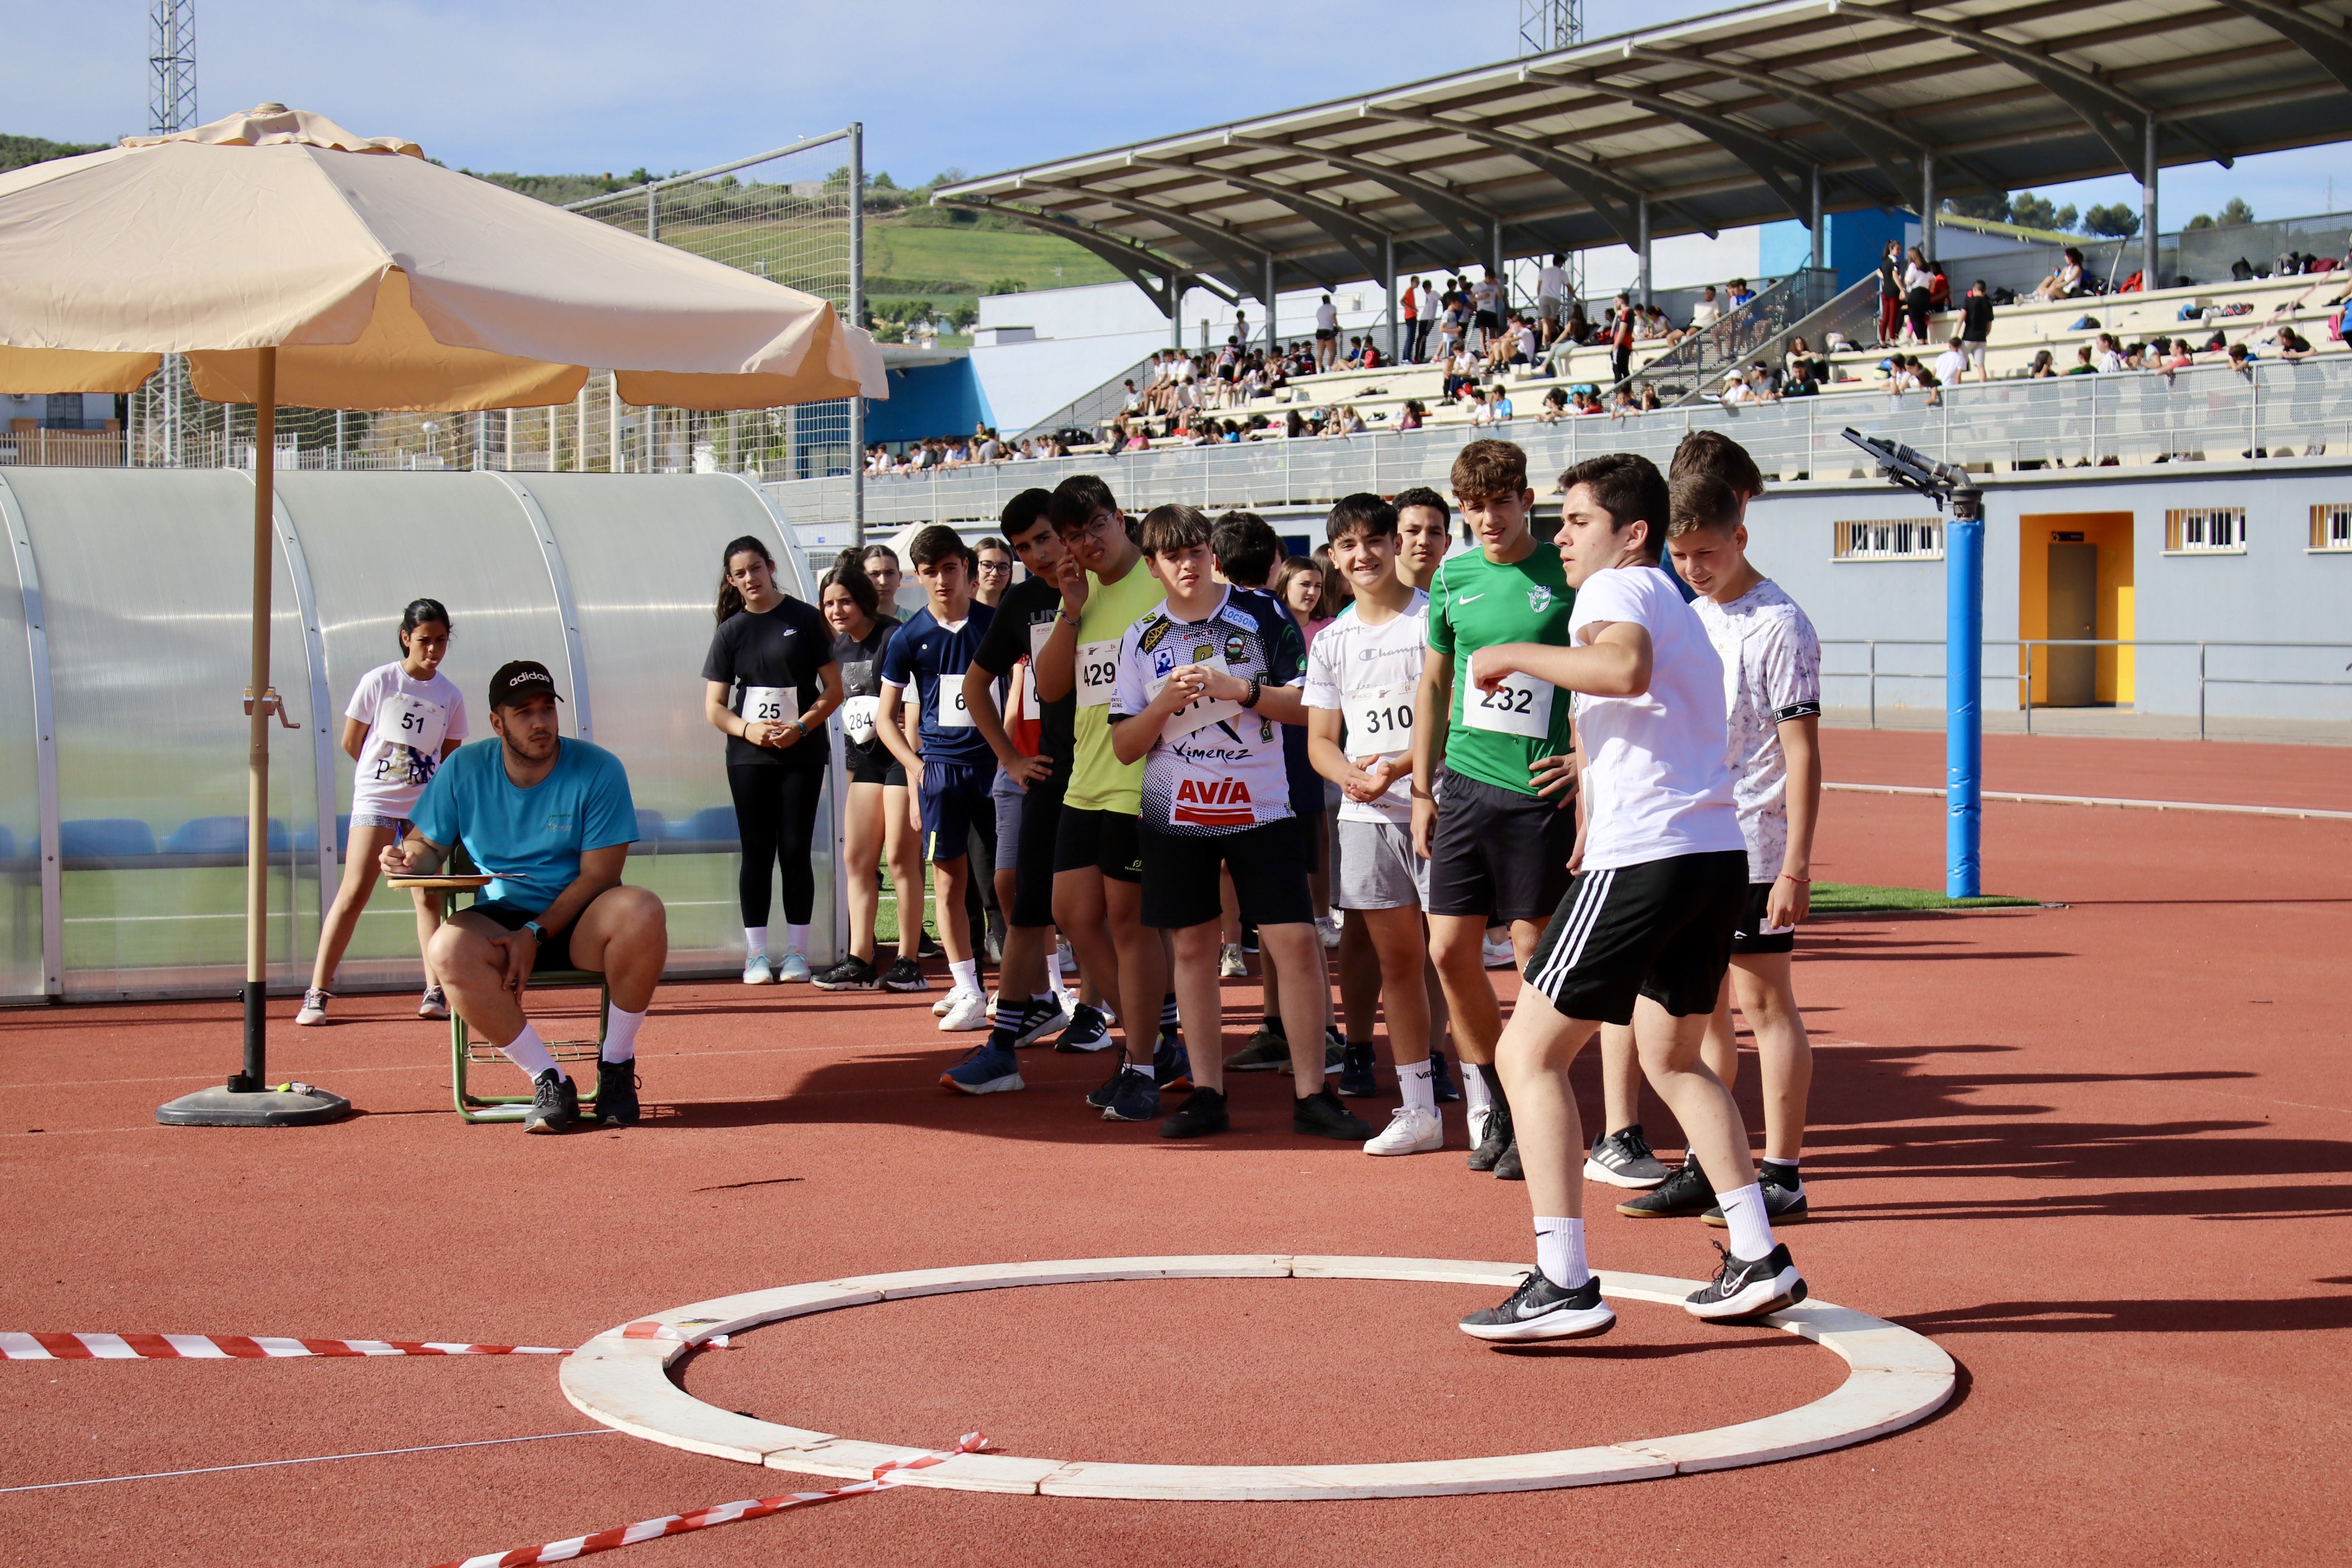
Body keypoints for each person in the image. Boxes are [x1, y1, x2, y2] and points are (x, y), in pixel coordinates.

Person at [1455, 452, 1805, 1342]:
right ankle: (1758, 1256)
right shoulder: (1676, 605)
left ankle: (1562, 1278)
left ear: (1631, 531)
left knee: (1526, 1056)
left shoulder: (1618, 592)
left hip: (1650, 858)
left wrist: (1506, 652)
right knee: (1675, 1059)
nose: (1560, 536)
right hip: (1712, 854)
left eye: (1574, 520)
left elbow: (1622, 672)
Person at [1109, 505, 1371, 1144]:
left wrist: (1239, 689)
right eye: (1173, 556)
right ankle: (1207, 1092)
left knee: (1295, 944)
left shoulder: (1260, 615)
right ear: (1153, 566)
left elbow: (1309, 707)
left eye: (1197, 551)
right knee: (1194, 949)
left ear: (1212, 554)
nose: (1188, 565)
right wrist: (1165, 704)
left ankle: (1313, 1092)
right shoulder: (1140, 636)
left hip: (1263, 806)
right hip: (1175, 809)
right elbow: (1123, 746)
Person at [1628, 465, 1822, 1230]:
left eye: (1706, 553)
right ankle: (1712, 1164)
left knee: (1765, 1002)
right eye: (1680, 557)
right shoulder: (1689, 614)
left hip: (1757, 844)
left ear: (1740, 536)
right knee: (1700, 1008)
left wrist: (1796, 865)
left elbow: (1802, 751)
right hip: (1691, 839)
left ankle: (1783, 1173)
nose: (1693, 569)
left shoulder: (1780, 623)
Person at [383, 661, 664, 1134]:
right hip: (504, 917)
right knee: (447, 949)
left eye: (546, 709)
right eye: (523, 712)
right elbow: (428, 845)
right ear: (497, 723)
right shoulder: (464, 769)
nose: (540, 722)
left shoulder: (598, 768)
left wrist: (535, 934)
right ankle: (550, 1081)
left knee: (642, 910)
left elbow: (600, 877)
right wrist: (408, 859)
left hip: (585, 919)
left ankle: (615, 1069)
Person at [1410, 440, 1583, 1182]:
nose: (1487, 517)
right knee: (1448, 950)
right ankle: (1500, 1101)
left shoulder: (1567, 571)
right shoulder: (1453, 575)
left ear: (1526, 501)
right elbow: (1434, 684)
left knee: (1530, 951)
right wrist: (1422, 788)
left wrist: (1585, 761)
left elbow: (1603, 674)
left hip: (1538, 791)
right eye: (1473, 506)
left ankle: (1539, 1096)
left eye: (1500, 502)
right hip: (1465, 786)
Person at [1033, 475, 1185, 1118]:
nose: (1085, 543)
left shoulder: (1160, 584)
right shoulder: (1079, 593)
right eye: (1072, 535)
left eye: (1095, 525)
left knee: (1130, 924)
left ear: (1120, 518)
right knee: (1072, 913)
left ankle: (1144, 1062)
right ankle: (1151, 1042)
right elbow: (1049, 686)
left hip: (1145, 780)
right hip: (1085, 782)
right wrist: (1070, 607)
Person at [942, 491, 1100, 1093]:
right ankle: (1004, 1046)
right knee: (1026, 905)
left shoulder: (1113, 585)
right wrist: (1009, 758)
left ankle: (1145, 1041)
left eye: (1045, 538)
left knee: (1123, 915)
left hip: (1127, 775)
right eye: (1024, 547)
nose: (1037, 554)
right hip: (1054, 776)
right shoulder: (1025, 602)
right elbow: (976, 686)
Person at [1304, 494, 1446, 1154]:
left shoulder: (1432, 620)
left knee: (1452, 957)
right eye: (1348, 546)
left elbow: (1449, 721)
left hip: (1437, 804)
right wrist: (1351, 777)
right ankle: (1417, 1106)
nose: (1363, 556)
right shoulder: (1331, 640)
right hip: (1365, 815)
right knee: (1399, 961)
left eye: (1373, 541)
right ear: (1334, 557)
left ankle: (1484, 1102)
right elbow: (1321, 740)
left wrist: (1399, 769)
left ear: (1394, 544)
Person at [299, 597, 468, 1026]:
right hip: (376, 800)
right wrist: (385, 775)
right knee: (355, 892)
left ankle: (434, 990)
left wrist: (420, 788)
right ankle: (317, 993)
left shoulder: (450, 696)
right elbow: (351, 742)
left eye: (441, 642)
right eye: (424, 641)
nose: (432, 651)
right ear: (405, 638)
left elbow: (449, 758)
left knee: (427, 894)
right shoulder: (379, 681)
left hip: (422, 807)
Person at [702, 535, 844, 986]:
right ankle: (756, 956)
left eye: (756, 569)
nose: (750, 578)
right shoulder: (731, 631)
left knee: (796, 850)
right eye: (740, 573)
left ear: (771, 566)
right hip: (749, 758)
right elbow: (715, 707)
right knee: (757, 852)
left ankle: (798, 953)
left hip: (801, 752)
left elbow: (834, 690)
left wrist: (801, 727)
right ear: (732, 580)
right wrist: (750, 730)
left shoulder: (804, 619)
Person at [876, 525, 998, 1034]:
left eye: (951, 568)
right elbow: (887, 718)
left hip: (997, 770)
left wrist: (1012, 754)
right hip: (941, 773)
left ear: (966, 568)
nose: (943, 579)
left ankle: (1035, 985)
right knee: (949, 881)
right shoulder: (908, 637)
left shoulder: (997, 625)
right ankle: (968, 986)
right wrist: (916, 767)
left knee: (1007, 882)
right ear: (917, 578)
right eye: (931, 572)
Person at [810, 559, 926, 993]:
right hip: (865, 763)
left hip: (901, 757)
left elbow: (911, 704)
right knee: (856, 858)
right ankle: (860, 957)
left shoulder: (894, 636)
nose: (836, 610)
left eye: (844, 601)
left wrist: (914, 764)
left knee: (900, 857)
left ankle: (908, 961)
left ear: (862, 599)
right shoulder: (837, 649)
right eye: (828, 604)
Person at [1959, 280, 1994, 381]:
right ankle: (1983, 392)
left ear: (1975, 289)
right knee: (1981, 366)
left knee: (1959, 366)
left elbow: (1962, 317)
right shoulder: (1988, 304)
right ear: (1985, 291)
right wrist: (1984, 334)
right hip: (1982, 338)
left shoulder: (1969, 301)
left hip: (1968, 337)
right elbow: (1989, 326)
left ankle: (1955, 389)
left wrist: (1955, 334)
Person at [863, 544, 906, 618]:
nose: (883, 582)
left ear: (900, 577)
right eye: (874, 574)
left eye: (890, 573)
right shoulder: (851, 624)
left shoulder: (916, 622)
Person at [1876, 240, 1905, 348]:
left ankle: (1882, 340)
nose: (1900, 252)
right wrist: (1902, 289)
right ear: (1891, 249)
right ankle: (1892, 340)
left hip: (1885, 292)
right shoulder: (1894, 262)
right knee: (1893, 317)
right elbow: (1895, 276)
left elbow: (1879, 272)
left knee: (1886, 317)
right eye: (1898, 249)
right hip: (1893, 292)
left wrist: (1885, 279)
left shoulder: (1885, 262)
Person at [972, 537, 1014, 609]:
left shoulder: (1019, 614)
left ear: (1010, 574)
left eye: (1002, 567)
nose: (995, 573)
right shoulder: (957, 613)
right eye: (987, 565)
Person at [1314, 293, 1340, 372]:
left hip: (1319, 331)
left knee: (1320, 354)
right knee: (1333, 352)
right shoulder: (1332, 307)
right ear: (1329, 300)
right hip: (1328, 331)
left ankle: (1318, 372)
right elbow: (1333, 317)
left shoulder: (1319, 309)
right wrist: (1337, 326)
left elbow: (1319, 320)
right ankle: (1328, 368)